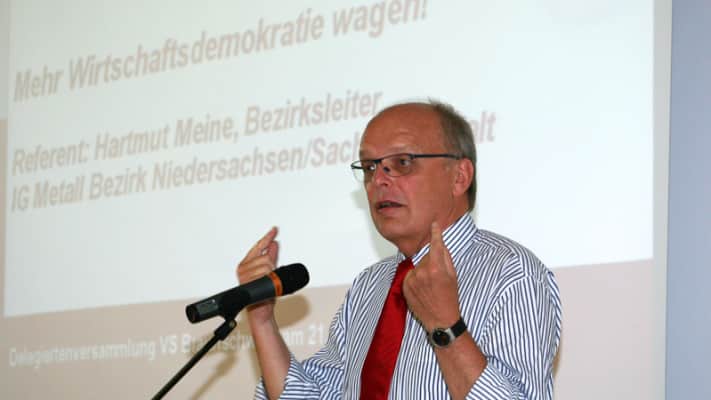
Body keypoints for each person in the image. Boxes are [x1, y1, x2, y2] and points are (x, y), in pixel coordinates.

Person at [237, 100, 562, 399]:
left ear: (459, 176)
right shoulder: (370, 285)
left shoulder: (512, 273)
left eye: (402, 163)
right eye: (369, 167)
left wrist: (446, 326)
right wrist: (262, 321)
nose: (379, 180)